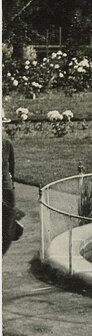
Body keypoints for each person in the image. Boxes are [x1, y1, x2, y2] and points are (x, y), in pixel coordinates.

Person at [3, 109, 20, 255]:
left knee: (7, 231)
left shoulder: (6, 144)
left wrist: (11, 184)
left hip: (6, 189)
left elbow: (11, 167)